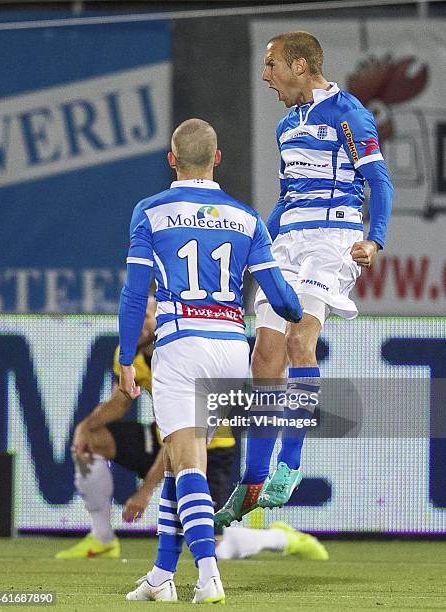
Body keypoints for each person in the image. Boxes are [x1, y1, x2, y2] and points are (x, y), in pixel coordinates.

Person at [117, 118, 302, 603]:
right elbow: (281, 296)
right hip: (229, 349)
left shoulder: (151, 212)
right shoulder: (245, 218)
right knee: (182, 464)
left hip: (180, 345)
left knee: (188, 462)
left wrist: (122, 356)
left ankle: (207, 574)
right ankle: (160, 576)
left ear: (172, 159)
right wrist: (301, 315)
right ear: (217, 159)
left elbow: (135, 296)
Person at [215, 31, 394, 528]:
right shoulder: (287, 127)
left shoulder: (349, 113)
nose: (265, 76)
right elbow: (287, 199)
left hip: (332, 240)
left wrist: (374, 239)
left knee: (299, 340)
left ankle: (289, 467)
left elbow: (379, 180)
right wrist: (256, 247)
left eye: (271, 65)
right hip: (289, 243)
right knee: (264, 354)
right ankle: (251, 482)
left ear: (299, 65)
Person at [55, 297, 237, 559]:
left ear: (160, 319)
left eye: (145, 317)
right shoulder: (128, 353)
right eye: (131, 318)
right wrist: (83, 428)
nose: (137, 325)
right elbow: (119, 403)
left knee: (211, 543)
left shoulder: (185, 354)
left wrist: (145, 491)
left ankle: (279, 538)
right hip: (166, 439)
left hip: (208, 448)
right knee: (93, 439)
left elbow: (183, 437)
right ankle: (102, 537)